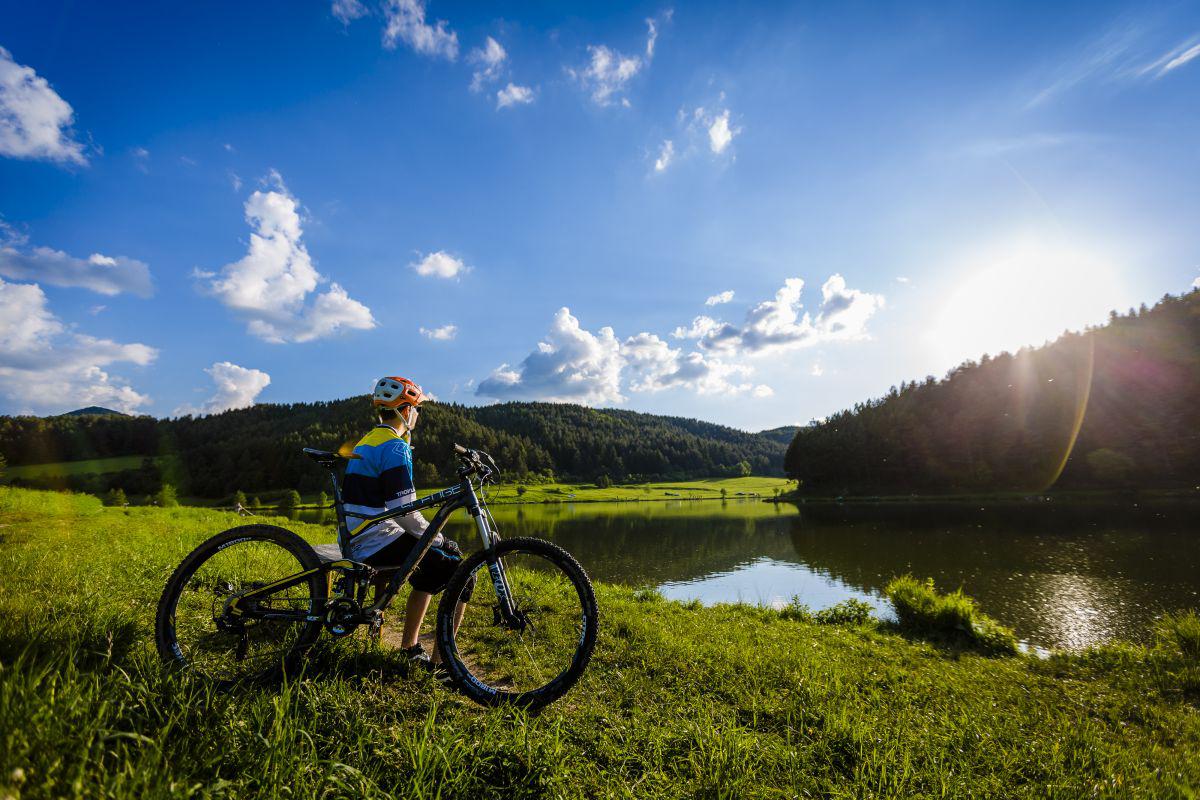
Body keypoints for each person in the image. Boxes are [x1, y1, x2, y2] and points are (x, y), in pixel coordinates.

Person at [341, 375, 475, 669]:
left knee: (435, 561)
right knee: (460, 569)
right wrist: (436, 537)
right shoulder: (394, 446)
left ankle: (410, 646)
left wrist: (431, 539)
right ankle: (445, 665)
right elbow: (403, 511)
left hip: (362, 534)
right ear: (405, 410)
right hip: (375, 540)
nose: (416, 415)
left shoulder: (369, 440)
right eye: (415, 409)